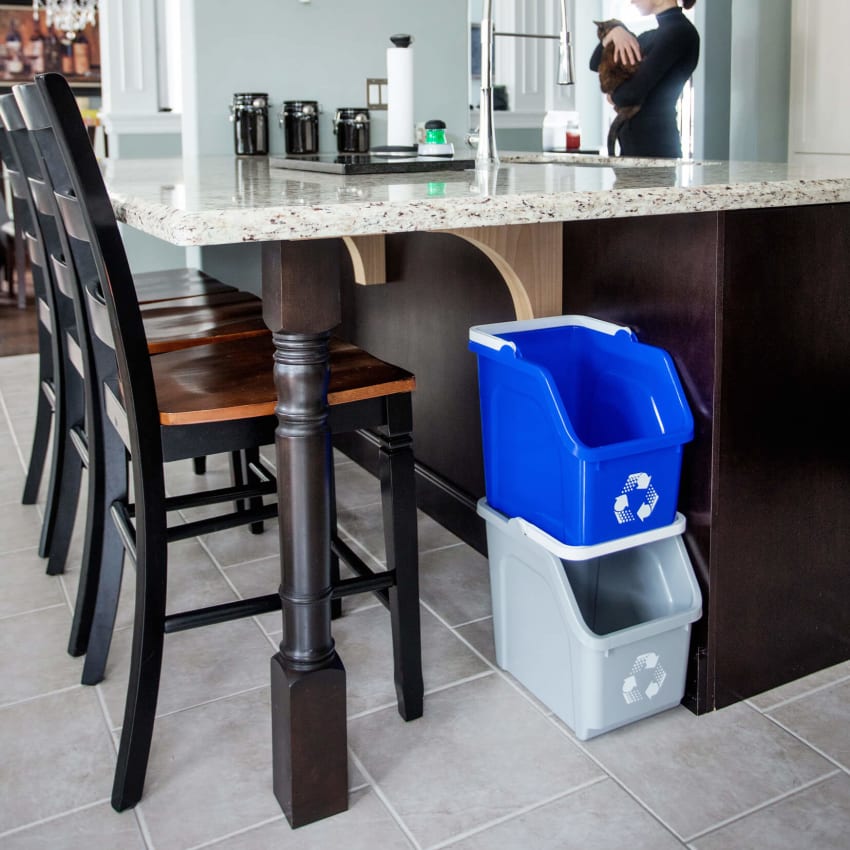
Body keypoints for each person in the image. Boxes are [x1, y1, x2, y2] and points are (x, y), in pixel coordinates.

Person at [590, 0, 700, 158]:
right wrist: (614, 31)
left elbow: (630, 94)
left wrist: (613, 96)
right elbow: (595, 64)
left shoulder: (679, 32)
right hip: (634, 153)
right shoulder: (652, 36)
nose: (632, 1)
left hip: (655, 153)